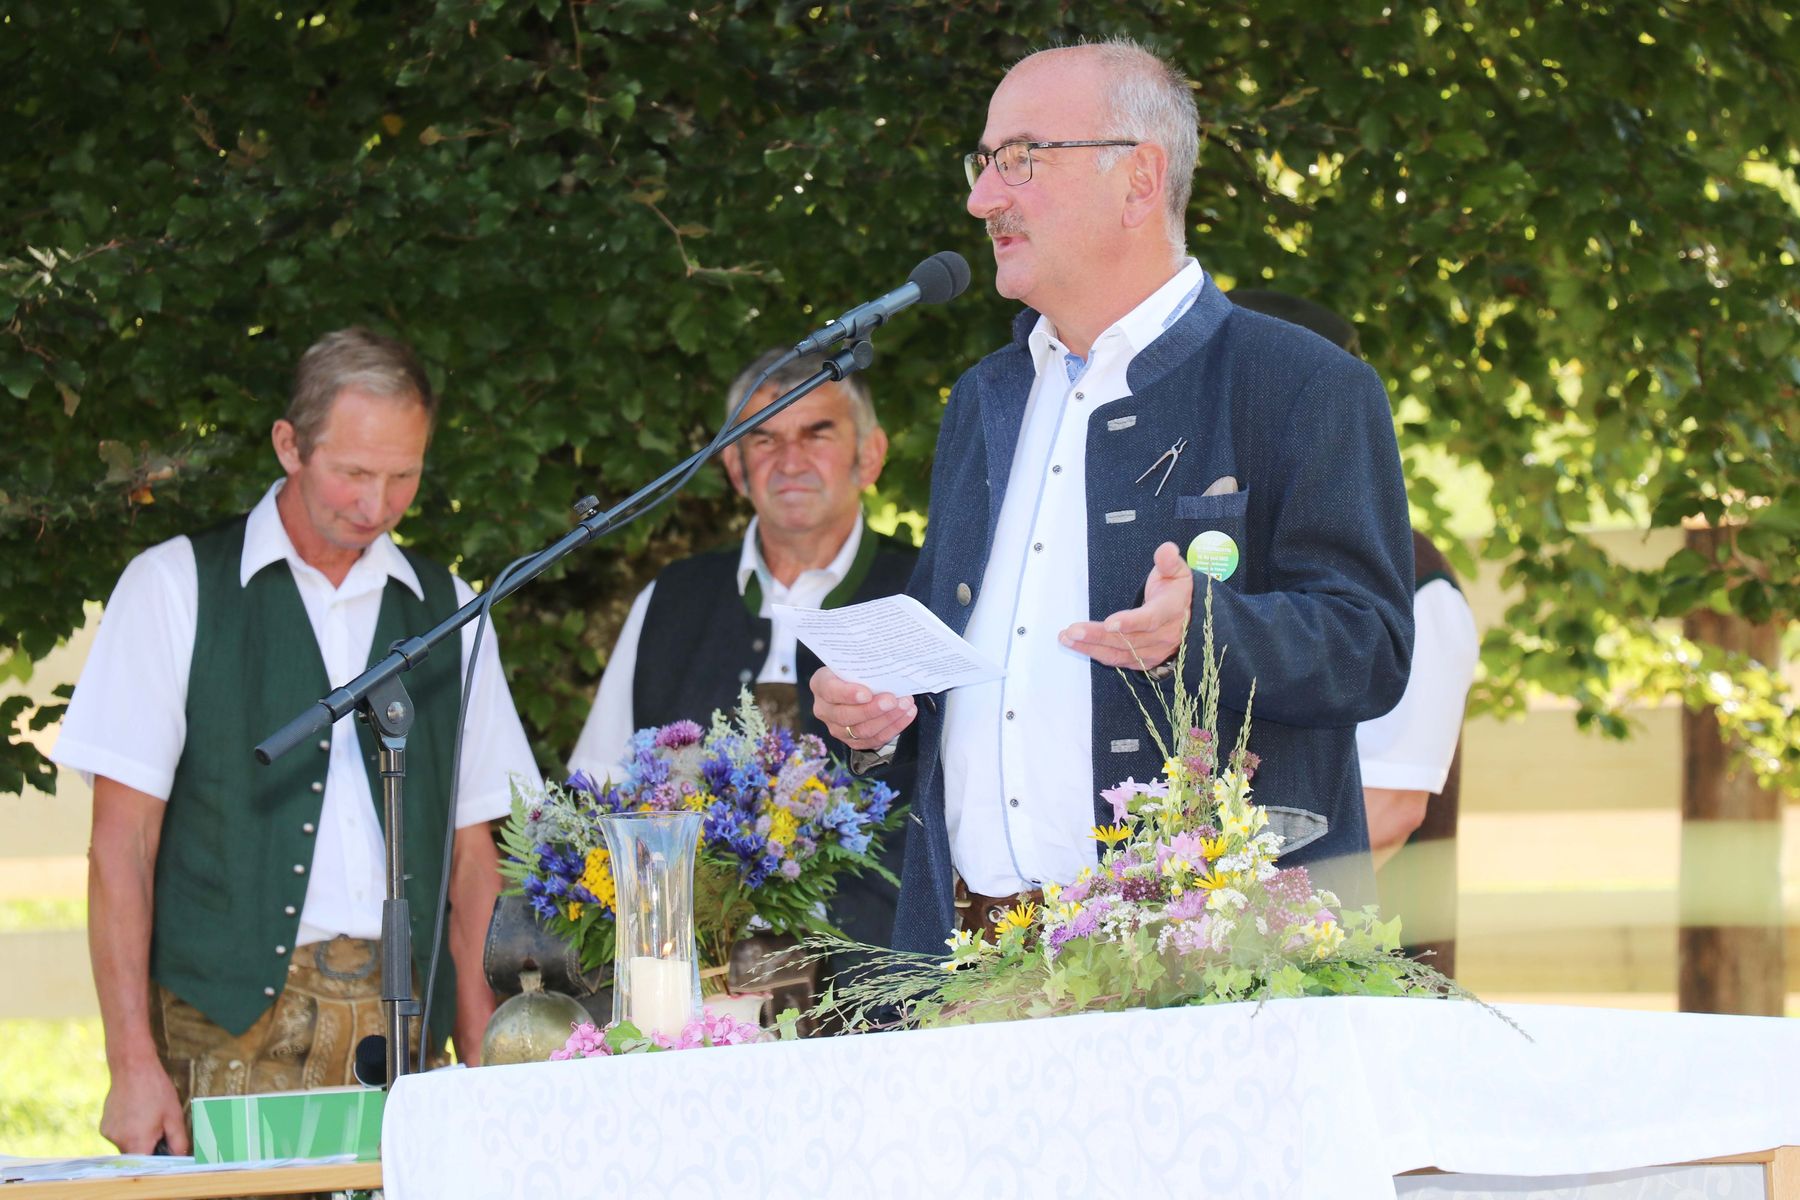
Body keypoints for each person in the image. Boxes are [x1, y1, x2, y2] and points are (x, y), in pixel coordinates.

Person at [811, 40, 1416, 954]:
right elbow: (957, 660)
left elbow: (1369, 648)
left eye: (1020, 159)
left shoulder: (1300, 383)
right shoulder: (985, 398)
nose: (983, 199)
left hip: (1199, 963)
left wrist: (1204, 629)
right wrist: (881, 713)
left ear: (1139, 178)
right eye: (982, 164)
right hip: (967, 955)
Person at [51, 328, 541, 1154]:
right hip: (222, 1030)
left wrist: (484, 1056)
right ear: (290, 445)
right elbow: (120, 849)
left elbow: (473, 863)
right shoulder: (173, 587)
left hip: (402, 1030)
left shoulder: (451, 611)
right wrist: (131, 1061)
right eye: (352, 472)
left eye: (402, 477)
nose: (376, 504)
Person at [570, 347, 916, 948]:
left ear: (870, 455)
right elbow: (595, 796)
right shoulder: (671, 599)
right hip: (688, 984)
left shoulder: (924, 593)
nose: (790, 461)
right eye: (764, 439)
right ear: (734, 468)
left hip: (883, 986)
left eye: (817, 434)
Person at [1229, 289, 1480, 974]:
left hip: (1355, 981)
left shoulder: (1417, 576)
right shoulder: (1235, 564)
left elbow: (1391, 810)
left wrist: (1230, 933)